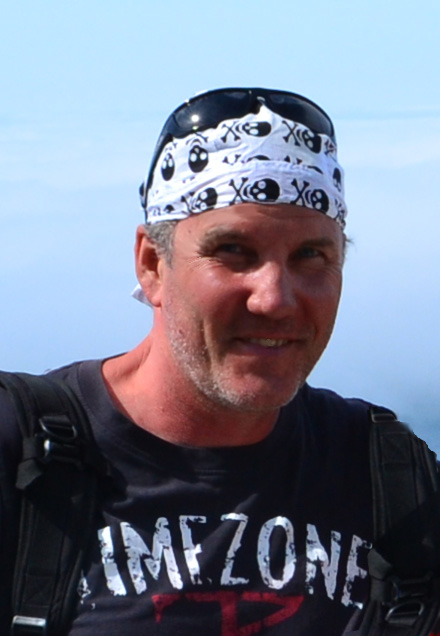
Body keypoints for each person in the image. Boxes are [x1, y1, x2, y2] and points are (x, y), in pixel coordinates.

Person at [0, 87, 432, 635]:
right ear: (152, 265)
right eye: (233, 252)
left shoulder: (389, 478)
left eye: (311, 255)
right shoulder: (21, 455)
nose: (274, 299)